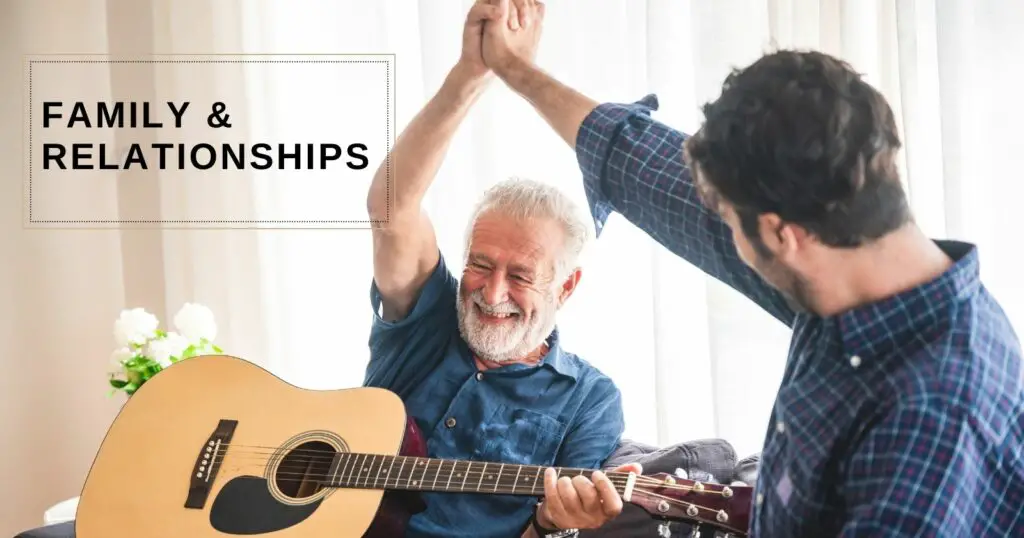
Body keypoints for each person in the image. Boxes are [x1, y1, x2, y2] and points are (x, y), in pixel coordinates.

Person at [480, 0, 1024, 536]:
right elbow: (645, 169)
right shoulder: (847, 247)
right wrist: (513, 67)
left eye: (732, 225)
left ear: (780, 235)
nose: (724, 234)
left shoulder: (933, 420)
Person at [362, 4, 639, 538]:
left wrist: (554, 524)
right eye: (480, 265)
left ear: (567, 286)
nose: (491, 293)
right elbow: (391, 209)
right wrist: (472, 71)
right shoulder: (427, 321)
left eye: (520, 276)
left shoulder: (590, 399)